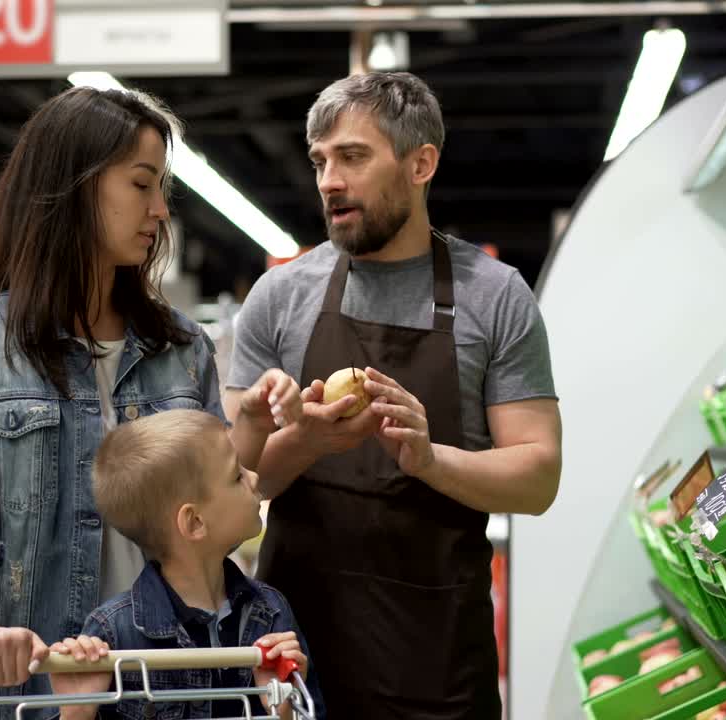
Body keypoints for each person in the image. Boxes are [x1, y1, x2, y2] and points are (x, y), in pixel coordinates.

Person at [0, 86, 302, 719]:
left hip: (178, 688)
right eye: (141, 185)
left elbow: (206, 501)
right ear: (77, 186)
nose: (159, 211)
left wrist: (252, 427)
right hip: (38, 689)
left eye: (161, 190)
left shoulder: (181, 347)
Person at [224, 71, 563, 718]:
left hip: (436, 664)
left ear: (421, 164)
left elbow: (537, 477)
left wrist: (431, 459)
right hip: (293, 663)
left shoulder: (495, 296)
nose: (328, 180)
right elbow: (236, 485)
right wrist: (308, 439)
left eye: (352, 157)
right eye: (320, 161)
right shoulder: (280, 297)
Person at [45, 409, 325, 720]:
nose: (255, 476)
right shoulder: (111, 635)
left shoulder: (271, 611)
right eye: (236, 475)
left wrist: (283, 709)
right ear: (194, 522)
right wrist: (77, 714)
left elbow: (311, 712)